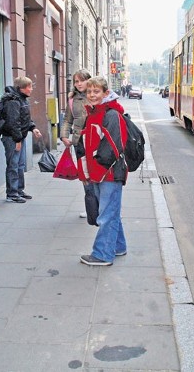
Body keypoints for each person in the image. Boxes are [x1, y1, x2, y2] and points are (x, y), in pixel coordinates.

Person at [77, 76, 128, 266]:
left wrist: (96, 170)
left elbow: (113, 148)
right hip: (100, 172)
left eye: (96, 91)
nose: (91, 95)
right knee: (110, 211)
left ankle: (102, 254)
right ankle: (118, 246)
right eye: (89, 91)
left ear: (106, 93)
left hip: (109, 174)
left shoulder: (111, 114)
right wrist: (85, 172)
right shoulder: (94, 112)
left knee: (106, 214)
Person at [0, 76, 42, 203]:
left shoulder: (21, 99)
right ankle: (12, 194)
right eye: (29, 87)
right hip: (12, 138)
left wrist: (33, 128)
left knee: (20, 164)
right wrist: (17, 140)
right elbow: (13, 122)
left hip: (19, 137)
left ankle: (18, 190)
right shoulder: (13, 101)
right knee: (13, 165)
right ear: (21, 88)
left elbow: (25, 119)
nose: (31, 89)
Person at [61, 69, 92, 218]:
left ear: (88, 80)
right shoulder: (73, 100)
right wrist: (64, 136)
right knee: (84, 176)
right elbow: (68, 120)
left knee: (97, 174)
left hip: (96, 142)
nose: (79, 84)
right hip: (79, 142)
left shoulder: (95, 96)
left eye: (82, 80)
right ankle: (91, 207)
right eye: (76, 81)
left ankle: (99, 204)